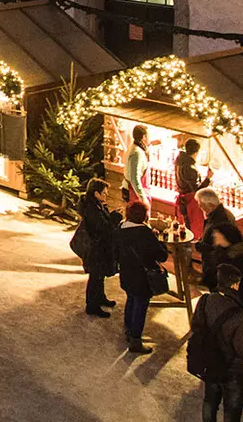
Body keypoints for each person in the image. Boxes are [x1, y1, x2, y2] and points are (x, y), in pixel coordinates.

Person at [188, 264, 243, 422]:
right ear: (235, 285)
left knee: (210, 401)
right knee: (232, 408)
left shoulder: (205, 300)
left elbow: (195, 325)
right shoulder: (239, 315)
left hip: (209, 362)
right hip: (231, 368)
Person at [115, 200, 166, 354]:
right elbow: (161, 256)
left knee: (131, 299)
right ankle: (135, 340)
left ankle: (128, 330)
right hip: (143, 276)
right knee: (140, 305)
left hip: (126, 273)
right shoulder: (144, 233)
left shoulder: (120, 228)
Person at [78, 179, 119, 317]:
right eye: (104, 194)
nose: (106, 196)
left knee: (100, 275)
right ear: (96, 194)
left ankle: (100, 298)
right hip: (95, 249)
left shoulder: (96, 205)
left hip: (99, 247)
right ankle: (92, 305)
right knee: (95, 276)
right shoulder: (91, 209)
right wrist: (114, 217)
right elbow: (103, 228)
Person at [200, 221, 243, 300]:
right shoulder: (219, 253)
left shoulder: (238, 259)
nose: (214, 235)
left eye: (217, 233)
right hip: (219, 299)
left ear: (226, 237)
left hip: (233, 302)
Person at [174, 139, 207, 237]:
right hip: (190, 202)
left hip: (183, 200)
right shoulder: (190, 168)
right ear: (196, 152)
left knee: (184, 227)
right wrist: (208, 179)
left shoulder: (179, 160)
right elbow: (197, 191)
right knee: (192, 230)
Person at [121, 124, 149, 203]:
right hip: (133, 192)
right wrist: (142, 198)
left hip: (136, 189)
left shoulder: (137, 148)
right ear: (144, 137)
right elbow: (134, 177)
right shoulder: (136, 153)